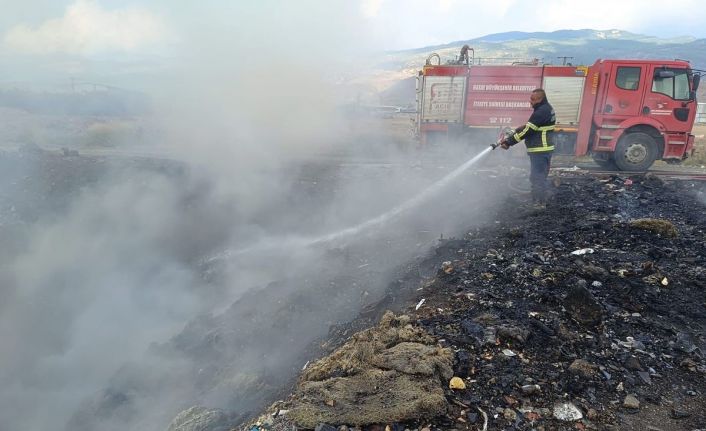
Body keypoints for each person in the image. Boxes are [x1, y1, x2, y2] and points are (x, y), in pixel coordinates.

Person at [500, 88, 556, 207]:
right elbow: (533, 126)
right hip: (543, 150)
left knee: (537, 178)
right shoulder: (546, 108)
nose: (530, 101)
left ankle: (538, 204)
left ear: (540, 99)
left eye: (532, 99)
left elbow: (529, 131)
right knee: (539, 177)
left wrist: (508, 142)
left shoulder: (541, 111)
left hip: (540, 150)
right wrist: (522, 127)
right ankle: (540, 202)